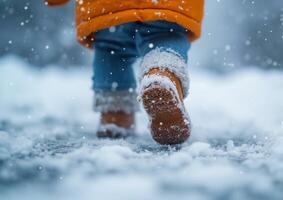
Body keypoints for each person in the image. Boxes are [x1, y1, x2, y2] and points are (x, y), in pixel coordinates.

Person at [45, 0, 204, 144]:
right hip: (165, 5)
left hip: (106, 8)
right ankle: (161, 76)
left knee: (111, 52)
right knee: (163, 39)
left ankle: (116, 115)